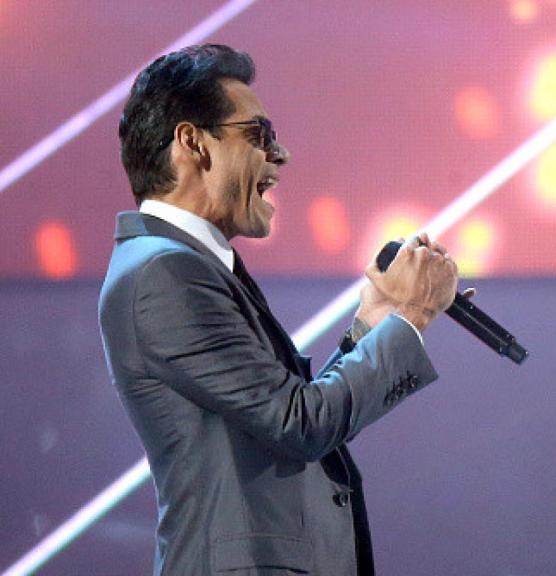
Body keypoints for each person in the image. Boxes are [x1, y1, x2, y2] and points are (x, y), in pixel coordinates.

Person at [99, 44, 459, 575]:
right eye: (259, 136)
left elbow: (291, 415)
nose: (280, 155)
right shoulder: (163, 273)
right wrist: (411, 315)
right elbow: (301, 424)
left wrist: (373, 325)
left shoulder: (191, 263)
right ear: (193, 142)